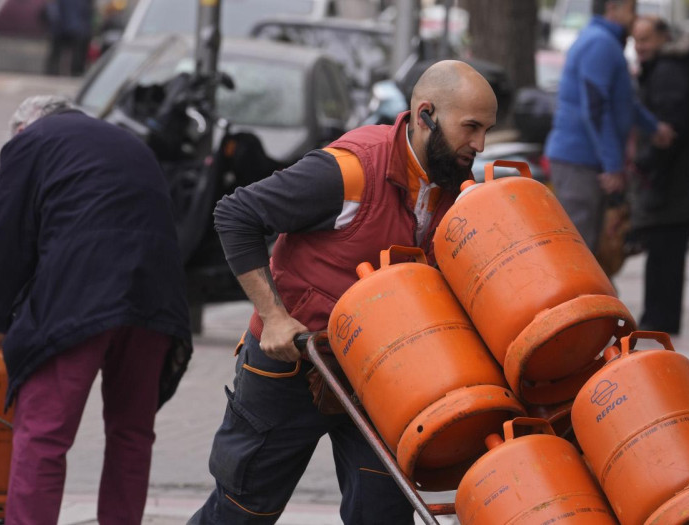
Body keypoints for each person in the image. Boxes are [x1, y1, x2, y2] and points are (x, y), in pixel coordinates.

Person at [190, 60, 498, 524]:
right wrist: (273, 316)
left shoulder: (453, 189)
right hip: (293, 363)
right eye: (470, 127)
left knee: (382, 516)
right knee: (240, 513)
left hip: (381, 380)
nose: (478, 145)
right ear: (426, 115)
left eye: (485, 130)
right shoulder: (351, 171)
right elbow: (236, 215)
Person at [0, 95, 192, 524]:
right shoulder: (129, 142)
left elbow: (4, 241)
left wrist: (2, 324)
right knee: (132, 433)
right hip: (155, 296)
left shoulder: (30, 142)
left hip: (81, 295)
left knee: (43, 434)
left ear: (25, 126)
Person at [544, 0, 672, 254]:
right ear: (615, 7)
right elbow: (595, 108)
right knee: (578, 249)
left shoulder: (604, 42)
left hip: (584, 160)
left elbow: (623, 102)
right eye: (632, 10)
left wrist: (653, 127)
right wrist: (613, 165)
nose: (636, 18)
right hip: (579, 161)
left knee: (588, 245)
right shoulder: (600, 44)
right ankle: (577, 294)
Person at [628, 16, 689, 335]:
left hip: (673, 186)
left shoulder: (667, 74)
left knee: (664, 257)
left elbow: (668, 134)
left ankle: (657, 320)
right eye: (635, 40)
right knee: (667, 257)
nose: (639, 47)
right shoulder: (670, 70)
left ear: (663, 38)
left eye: (645, 39)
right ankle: (661, 319)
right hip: (678, 185)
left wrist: (643, 164)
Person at [44, 0, 93, 76]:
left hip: (63, 28)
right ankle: (75, 72)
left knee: (58, 52)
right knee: (77, 53)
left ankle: (53, 71)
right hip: (76, 29)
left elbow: (54, 12)